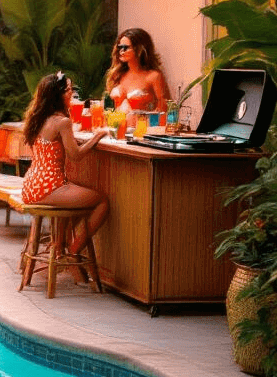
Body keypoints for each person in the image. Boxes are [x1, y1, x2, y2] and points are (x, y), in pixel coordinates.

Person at [21, 71, 109, 257]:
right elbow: (75, 156)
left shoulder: (39, 119)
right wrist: (97, 136)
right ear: (57, 95)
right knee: (102, 202)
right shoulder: (63, 122)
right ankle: (74, 250)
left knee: (72, 193)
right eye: (68, 90)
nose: (72, 93)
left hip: (31, 185)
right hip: (49, 188)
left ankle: (60, 247)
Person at [105, 27, 168, 116]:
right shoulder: (117, 75)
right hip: (115, 127)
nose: (121, 51)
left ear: (139, 49)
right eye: (120, 47)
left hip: (140, 127)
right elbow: (107, 109)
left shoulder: (153, 76)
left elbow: (163, 109)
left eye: (126, 47)